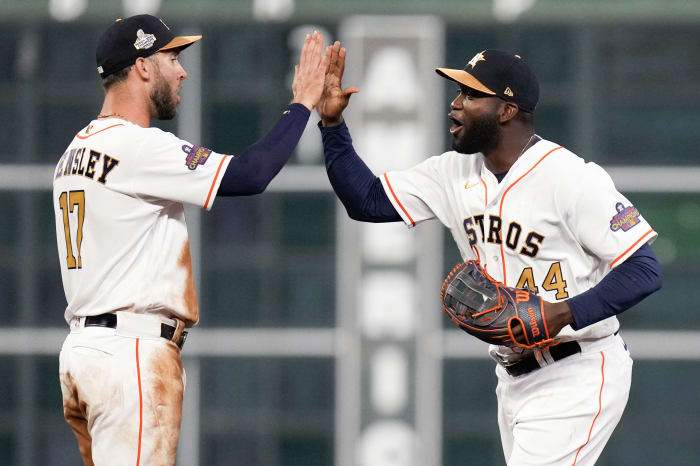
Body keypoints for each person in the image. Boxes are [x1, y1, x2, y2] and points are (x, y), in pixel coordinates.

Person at [316, 45, 662, 465]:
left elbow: (644, 269)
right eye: (458, 92)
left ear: (506, 110)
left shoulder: (570, 178)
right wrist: (332, 124)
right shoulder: (451, 173)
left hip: (579, 371)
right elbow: (366, 201)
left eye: (470, 95)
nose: (455, 104)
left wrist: (563, 312)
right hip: (512, 377)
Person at [53, 14, 329, 465]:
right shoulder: (136, 145)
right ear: (143, 66)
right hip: (132, 355)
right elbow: (250, 174)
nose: (182, 71)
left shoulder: (74, 151)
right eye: (172, 57)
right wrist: (301, 104)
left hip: (84, 353)